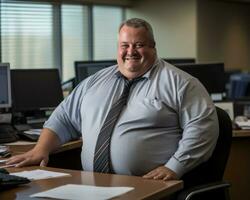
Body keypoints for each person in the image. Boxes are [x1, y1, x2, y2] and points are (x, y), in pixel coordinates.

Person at [6, 18, 219, 181]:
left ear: (153, 46)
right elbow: (63, 118)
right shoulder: (95, 82)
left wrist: (174, 167)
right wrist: (40, 149)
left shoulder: (181, 83)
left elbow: (203, 129)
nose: (131, 52)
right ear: (118, 47)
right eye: (125, 45)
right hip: (93, 184)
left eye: (139, 45)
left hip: (150, 184)